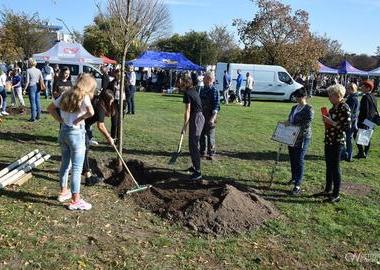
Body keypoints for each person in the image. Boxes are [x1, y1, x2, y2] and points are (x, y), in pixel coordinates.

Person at [47, 73, 96, 210]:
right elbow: (91, 112)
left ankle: (63, 192)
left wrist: (60, 120)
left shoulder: (65, 94)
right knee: (76, 168)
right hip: (76, 134)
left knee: (65, 163)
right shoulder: (84, 96)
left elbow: (50, 108)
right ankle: (76, 201)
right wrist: (80, 119)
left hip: (63, 132)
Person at [319, 84, 351, 203]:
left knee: (335, 167)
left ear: (338, 96)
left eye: (330, 96)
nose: (329, 98)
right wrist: (327, 122)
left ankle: (336, 194)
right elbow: (332, 123)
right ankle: (328, 190)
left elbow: (347, 127)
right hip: (329, 140)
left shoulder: (344, 107)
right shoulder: (333, 108)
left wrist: (331, 122)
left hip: (338, 142)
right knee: (329, 165)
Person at [83, 89, 116, 185]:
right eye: (111, 100)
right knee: (84, 150)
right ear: (107, 99)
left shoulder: (98, 100)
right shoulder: (100, 107)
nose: (112, 102)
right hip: (81, 126)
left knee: (85, 149)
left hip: (84, 126)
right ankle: (88, 178)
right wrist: (109, 138)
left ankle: (85, 172)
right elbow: (100, 125)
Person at [286, 88, 314, 195]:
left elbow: (306, 125)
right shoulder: (294, 107)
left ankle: (297, 184)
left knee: (299, 159)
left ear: (304, 97)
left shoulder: (309, 109)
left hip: (302, 138)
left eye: (298, 97)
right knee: (293, 158)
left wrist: (293, 128)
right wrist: (285, 124)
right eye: (296, 97)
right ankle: (294, 177)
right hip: (291, 137)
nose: (296, 99)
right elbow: (290, 119)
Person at [180, 75, 205, 180]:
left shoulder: (187, 93)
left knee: (194, 145)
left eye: (181, 82)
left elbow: (188, 111)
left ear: (185, 83)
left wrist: (184, 126)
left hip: (196, 118)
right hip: (198, 117)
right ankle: (195, 167)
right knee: (192, 144)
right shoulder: (193, 90)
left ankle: (198, 172)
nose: (179, 84)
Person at [200, 72, 220, 160]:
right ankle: (202, 151)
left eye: (204, 78)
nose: (203, 79)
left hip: (210, 115)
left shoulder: (214, 90)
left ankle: (211, 152)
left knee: (210, 135)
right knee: (201, 134)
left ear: (209, 79)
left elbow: (216, 106)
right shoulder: (202, 89)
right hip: (202, 115)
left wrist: (212, 118)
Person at [355, 80, 377, 159]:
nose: (362, 87)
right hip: (371, 120)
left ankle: (361, 152)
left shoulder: (365, 97)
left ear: (368, 88)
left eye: (364, 86)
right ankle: (365, 153)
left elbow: (365, 111)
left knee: (356, 136)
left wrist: (362, 122)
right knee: (367, 137)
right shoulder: (373, 96)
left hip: (365, 120)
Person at [342, 83, 359, 162]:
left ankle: (349, 155)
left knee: (348, 139)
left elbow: (349, 111)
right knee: (348, 139)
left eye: (348, 88)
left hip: (351, 121)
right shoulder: (354, 97)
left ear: (352, 89)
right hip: (353, 120)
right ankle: (347, 154)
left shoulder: (352, 98)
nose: (347, 90)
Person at [109, 69, 125, 140]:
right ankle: (113, 137)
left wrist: (126, 101)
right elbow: (108, 91)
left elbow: (129, 92)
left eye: (120, 75)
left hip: (122, 102)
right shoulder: (112, 82)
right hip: (114, 103)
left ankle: (119, 138)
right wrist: (111, 97)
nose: (119, 76)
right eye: (117, 74)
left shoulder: (125, 82)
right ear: (115, 75)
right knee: (114, 121)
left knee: (120, 121)